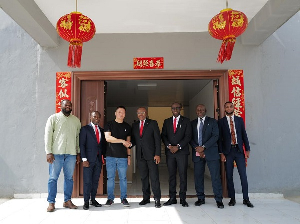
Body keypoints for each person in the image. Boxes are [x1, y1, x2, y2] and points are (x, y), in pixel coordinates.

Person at [44, 99, 81, 212]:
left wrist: (78, 152)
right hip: (56, 154)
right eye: (66, 105)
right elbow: (48, 135)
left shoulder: (76, 121)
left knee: (69, 178)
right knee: (53, 178)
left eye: (70, 105)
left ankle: (67, 201)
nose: (68, 107)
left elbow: (77, 138)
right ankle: (51, 202)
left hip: (71, 154)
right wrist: (48, 152)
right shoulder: (53, 118)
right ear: (61, 106)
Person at [218, 101, 254, 208]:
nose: (229, 108)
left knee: (243, 175)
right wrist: (221, 153)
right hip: (228, 152)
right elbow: (220, 139)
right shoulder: (221, 122)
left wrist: (247, 149)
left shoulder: (239, 120)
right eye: (227, 107)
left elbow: (244, 135)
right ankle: (232, 199)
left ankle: (246, 199)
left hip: (239, 151)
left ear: (233, 108)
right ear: (224, 109)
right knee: (229, 176)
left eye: (230, 106)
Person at [190, 104, 224, 209]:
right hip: (197, 153)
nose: (200, 111)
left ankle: (219, 199)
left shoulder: (213, 121)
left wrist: (203, 147)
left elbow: (215, 136)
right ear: (196, 111)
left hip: (211, 152)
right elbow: (189, 137)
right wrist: (197, 148)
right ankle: (200, 198)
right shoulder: (192, 123)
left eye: (202, 109)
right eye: (198, 109)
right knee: (198, 177)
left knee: (215, 177)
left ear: (206, 110)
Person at [161, 102, 192, 207]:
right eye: (173, 108)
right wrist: (169, 146)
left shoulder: (186, 121)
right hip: (170, 153)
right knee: (171, 176)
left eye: (177, 108)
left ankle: (183, 198)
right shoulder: (167, 121)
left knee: (183, 175)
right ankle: (172, 198)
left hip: (182, 152)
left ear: (180, 109)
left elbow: (188, 136)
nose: (175, 109)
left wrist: (178, 146)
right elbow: (163, 135)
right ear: (171, 109)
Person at [131, 107, 162, 208]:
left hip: (152, 156)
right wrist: (128, 144)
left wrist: (157, 154)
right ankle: (146, 198)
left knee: (154, 178)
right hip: (140, 156)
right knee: (143, 178)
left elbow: (157, 140)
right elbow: (135, 140)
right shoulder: (135, 125)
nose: (141, 114)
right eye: (139, 113)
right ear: (137, 114)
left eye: (142, 112)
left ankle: (157, 199)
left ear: (146, 113)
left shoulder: (152, 123)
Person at [104, 106, 132, 207]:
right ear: (115, 113)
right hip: (110, 156)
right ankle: (110, 199)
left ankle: (123, 198)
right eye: (119, 112)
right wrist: (121, 140)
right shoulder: (109, 124)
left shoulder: (127, 127)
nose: (121, 114)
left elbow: (128, 143)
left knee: (123, 178)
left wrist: (129, 155)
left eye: (123, 112)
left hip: (123, 157)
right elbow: (108, 138)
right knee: (110, 178)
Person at [80, 111, 107, 210]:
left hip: (98, 160)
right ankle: (86, 201)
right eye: (94, 116)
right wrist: (84, 159)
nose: (97, 118)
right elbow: (82, 145)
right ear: (90, 117)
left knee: (95, 181)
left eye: (98, 117)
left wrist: (103, 157)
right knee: (87, 181)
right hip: (88, 160)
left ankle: (93, 199)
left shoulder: (101, 130)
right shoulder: (85, 129)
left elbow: (103, 146)